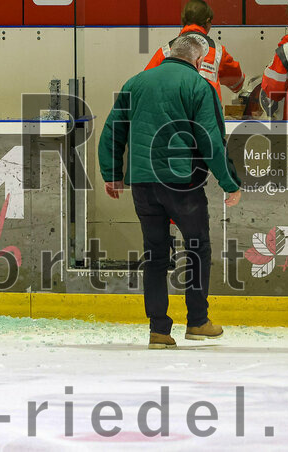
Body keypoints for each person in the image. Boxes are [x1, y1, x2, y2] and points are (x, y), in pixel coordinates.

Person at [98, 36, 242, 349]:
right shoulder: (198, 86)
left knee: (155, 255)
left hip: (144, 183)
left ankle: (159, 331)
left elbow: (113, 129)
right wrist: (229, 182)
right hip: (183, 183)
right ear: (199, 58)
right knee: (197, 247)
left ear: (170, 54)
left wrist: (111, 174)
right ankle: (198, 321)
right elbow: (211, 141)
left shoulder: (136, 82)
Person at [144, 0, 246, 104]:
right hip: (208, 115)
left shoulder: (166, 50)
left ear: (184, 21)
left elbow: (144, 83)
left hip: (175, 115)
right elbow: (237, 82)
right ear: (207, 22)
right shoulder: (217, 51)